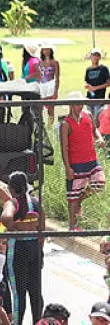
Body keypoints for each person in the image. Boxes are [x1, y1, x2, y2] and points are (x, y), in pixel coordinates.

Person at [59, 95, 104, 229]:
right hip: (76, 164)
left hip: (92, 161)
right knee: (73, 195)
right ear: (71, 105)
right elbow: (64, 148)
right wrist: (68, 168)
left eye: (82, 103)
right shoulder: (65, 124)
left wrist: (99, 138)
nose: (81, 106)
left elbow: (94, 129)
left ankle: (79, 201)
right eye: (78, 104)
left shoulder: (88, 115)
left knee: (99, 183)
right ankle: (73, 226)